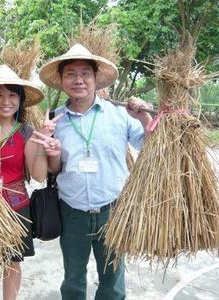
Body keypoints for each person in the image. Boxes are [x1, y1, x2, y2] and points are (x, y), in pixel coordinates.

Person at [34, 44, 153, 300]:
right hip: (71, 213)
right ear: (62, 80)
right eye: (71, 74)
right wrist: (52, 153)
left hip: (112, 212)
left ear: (96, 78)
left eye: (85, 73)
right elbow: (54, 170)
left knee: (113, 283)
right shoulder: (55, 119)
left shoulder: (119, 115)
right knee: (73, 281)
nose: (79, 80)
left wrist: (144, 117)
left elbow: (149, 144)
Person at [0, 64, 61, 300]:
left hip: (15, 208)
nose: (5, 101)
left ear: (20, 99)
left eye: (12, 94)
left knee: (12, 263)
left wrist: (42, 142)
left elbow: (38, 175)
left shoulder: (25, 132)